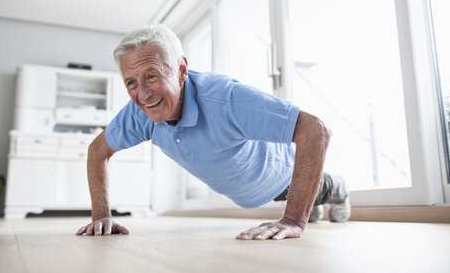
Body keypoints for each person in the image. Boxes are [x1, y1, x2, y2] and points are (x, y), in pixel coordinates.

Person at [75, 24, 350, 240]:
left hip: (279, 175)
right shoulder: (139, 112)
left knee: (320, 189)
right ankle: (310, 206)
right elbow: (97, 152)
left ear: (181, 70)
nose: (143, 93)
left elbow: (316, 130)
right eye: (131, 82)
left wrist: (293, 220)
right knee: (301, 201)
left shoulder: (226, 99)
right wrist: (101, 215)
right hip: (246, 190)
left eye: (152, 76)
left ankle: (338, 189)